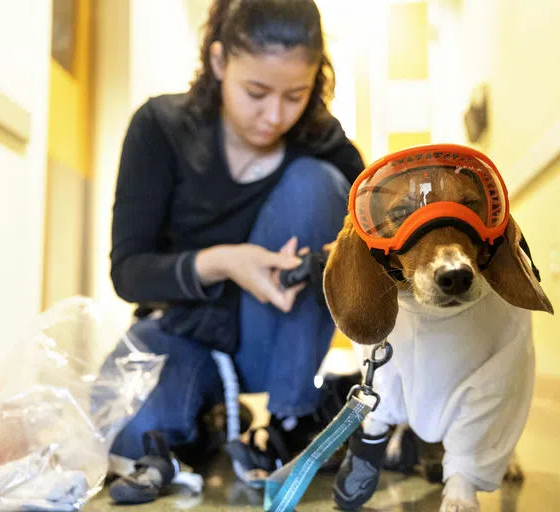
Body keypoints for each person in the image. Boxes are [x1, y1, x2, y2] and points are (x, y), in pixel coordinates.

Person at [100, 0, 365, 503]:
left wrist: (333, 257)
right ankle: (217, 418)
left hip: (275, 334)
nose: (274, 117)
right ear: (219, 61)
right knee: (132, 440)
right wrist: (226, 261)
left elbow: (375, 222)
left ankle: (291, 419)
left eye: (295, 95)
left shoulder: (319, 139)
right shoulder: (160, 127)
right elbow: (128, 272)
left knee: (317, 185)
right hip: (184, 329)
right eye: (256, 92)